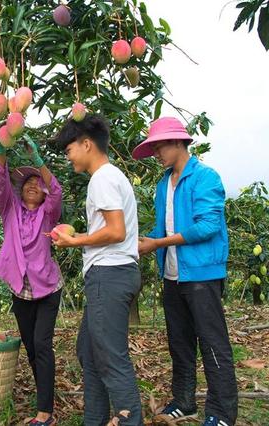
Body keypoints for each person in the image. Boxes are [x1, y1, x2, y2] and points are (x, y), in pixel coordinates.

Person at [133, 117, 237, 426]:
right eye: (153, 148)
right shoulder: (164, 183)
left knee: (212, 342)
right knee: (179, 341)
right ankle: (184, 400)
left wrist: (158, 243)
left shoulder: (205, 177)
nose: (157, 154)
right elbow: (160, 227)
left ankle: (221, 412)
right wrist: (141, 244)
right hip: (173, 275)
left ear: (178, 142)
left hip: (202, 275)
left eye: (160, 146)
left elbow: (208, 226)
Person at [51, 114, 143, 425]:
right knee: (88, 353)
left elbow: (115, 231)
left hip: (110, 274)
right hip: (112, 273)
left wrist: (75, 243)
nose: (68, 157)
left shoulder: (102, 178)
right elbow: (113, 232)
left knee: (111, 359)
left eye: (69, 150)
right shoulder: (112, 176)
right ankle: (94, 419)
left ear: (87, 144)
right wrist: (77, 236)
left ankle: (130, 420)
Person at [0, 139, 64, 426]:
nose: (33, 185)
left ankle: (45, 413)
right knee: (31, 347)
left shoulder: (49, 214)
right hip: (20, 290)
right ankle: (44, 393)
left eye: (38, 183)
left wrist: (38, 161)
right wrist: (0, 152)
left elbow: (57, 192)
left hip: (47, 287)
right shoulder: (9, 209)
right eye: (28, 183)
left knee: (42, 344)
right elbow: (0, 184)